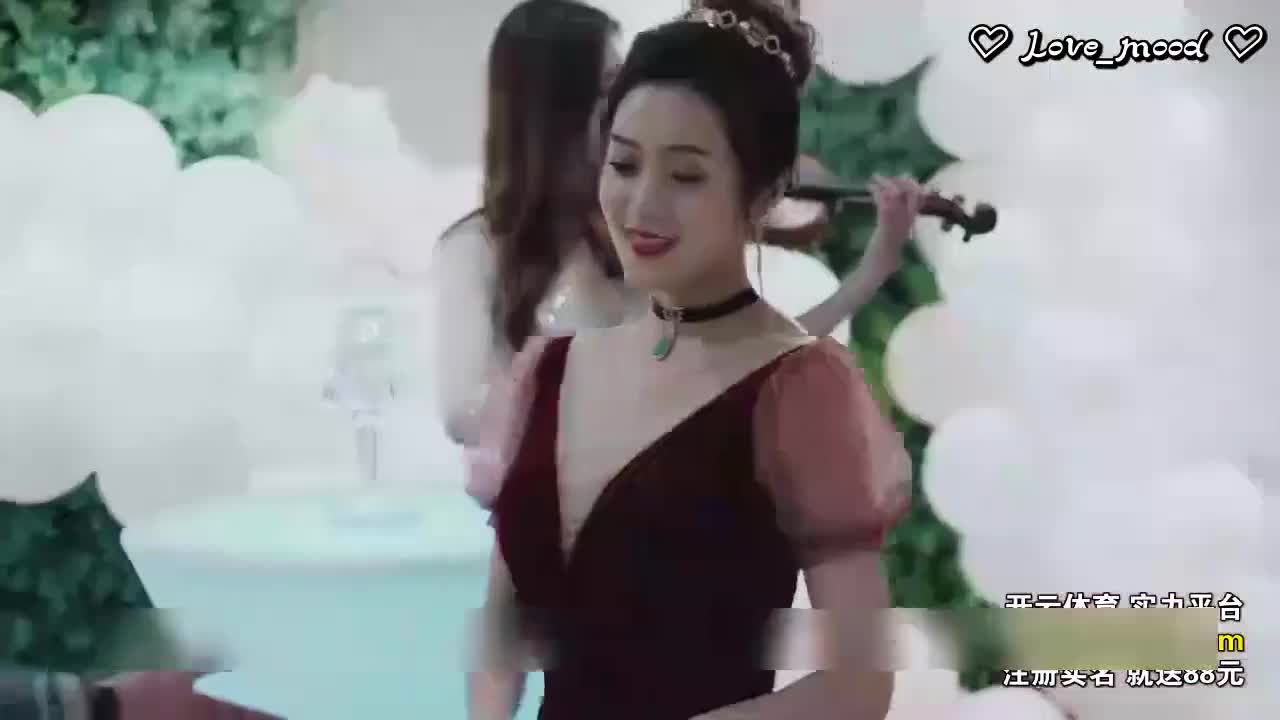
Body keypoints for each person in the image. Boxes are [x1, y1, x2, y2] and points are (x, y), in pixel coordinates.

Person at [467, 1, 914, 718]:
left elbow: (858, 685)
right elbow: (505, 622)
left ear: (764, 194)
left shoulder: (800, 389)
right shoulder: (546, 370)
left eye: (686, 176)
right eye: (624, 164)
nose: (642, 204)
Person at [432, 0, 917, 455]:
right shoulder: (475, 248)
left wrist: (869, 273)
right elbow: (464, 414)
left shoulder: (633, 228)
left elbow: (747, 359)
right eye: (609, 88)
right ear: (554, 110)